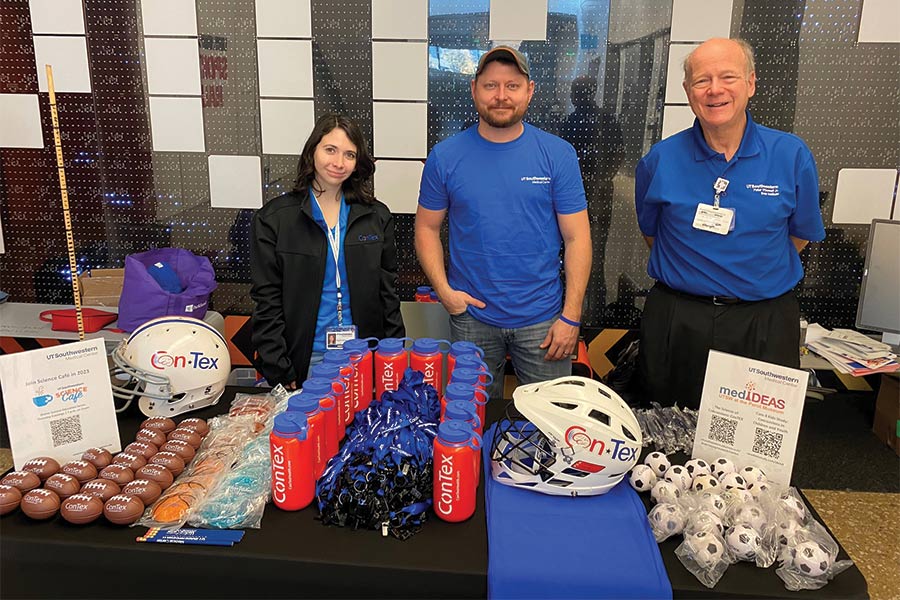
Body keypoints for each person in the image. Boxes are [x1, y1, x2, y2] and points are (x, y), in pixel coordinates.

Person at [634, 38, 825, 409]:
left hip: (763, 323)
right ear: (688, 91)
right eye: (702, 80)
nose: (715, 89)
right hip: (678, 322)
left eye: (728, 77)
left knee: (758, 450)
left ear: (751, 83)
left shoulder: (791, 155)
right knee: (668, 439)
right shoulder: (660, 160)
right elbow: (652, 233)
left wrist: (749, 273)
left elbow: (800, 234)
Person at [416, 45, 592, 400]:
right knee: (472, 423)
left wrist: (571, 317)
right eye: (490, 85)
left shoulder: (557, 154)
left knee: (549, 427)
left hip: (544, 320)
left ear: (530, 91)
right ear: (474, 90)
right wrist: (445, 292)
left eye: (512, 86)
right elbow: (426, 228)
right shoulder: (446, 157)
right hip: (471, 320)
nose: (501, 96)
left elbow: (577, 238)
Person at [251, 114, 405, 389]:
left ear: (358, 162)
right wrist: (279, 367)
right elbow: (267, 300)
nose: (338, 162)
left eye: (349, 154)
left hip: (363, 356)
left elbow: (388, 297)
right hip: (304, 358)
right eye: (330, 150)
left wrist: (393, 356)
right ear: (312, 151)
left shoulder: (376, 217)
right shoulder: (275, 219)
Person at [559, 75, 625, 314]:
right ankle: (594, 309)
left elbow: (617, 153)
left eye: (575, 92)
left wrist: (596, 180)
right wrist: (602, 179)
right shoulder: (604, 120)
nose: (573, 97)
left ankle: (582, 307)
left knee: (579, 253)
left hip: (587, 194)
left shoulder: (573, 122)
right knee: (595, 254)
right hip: (595, 192)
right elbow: (619, 154)